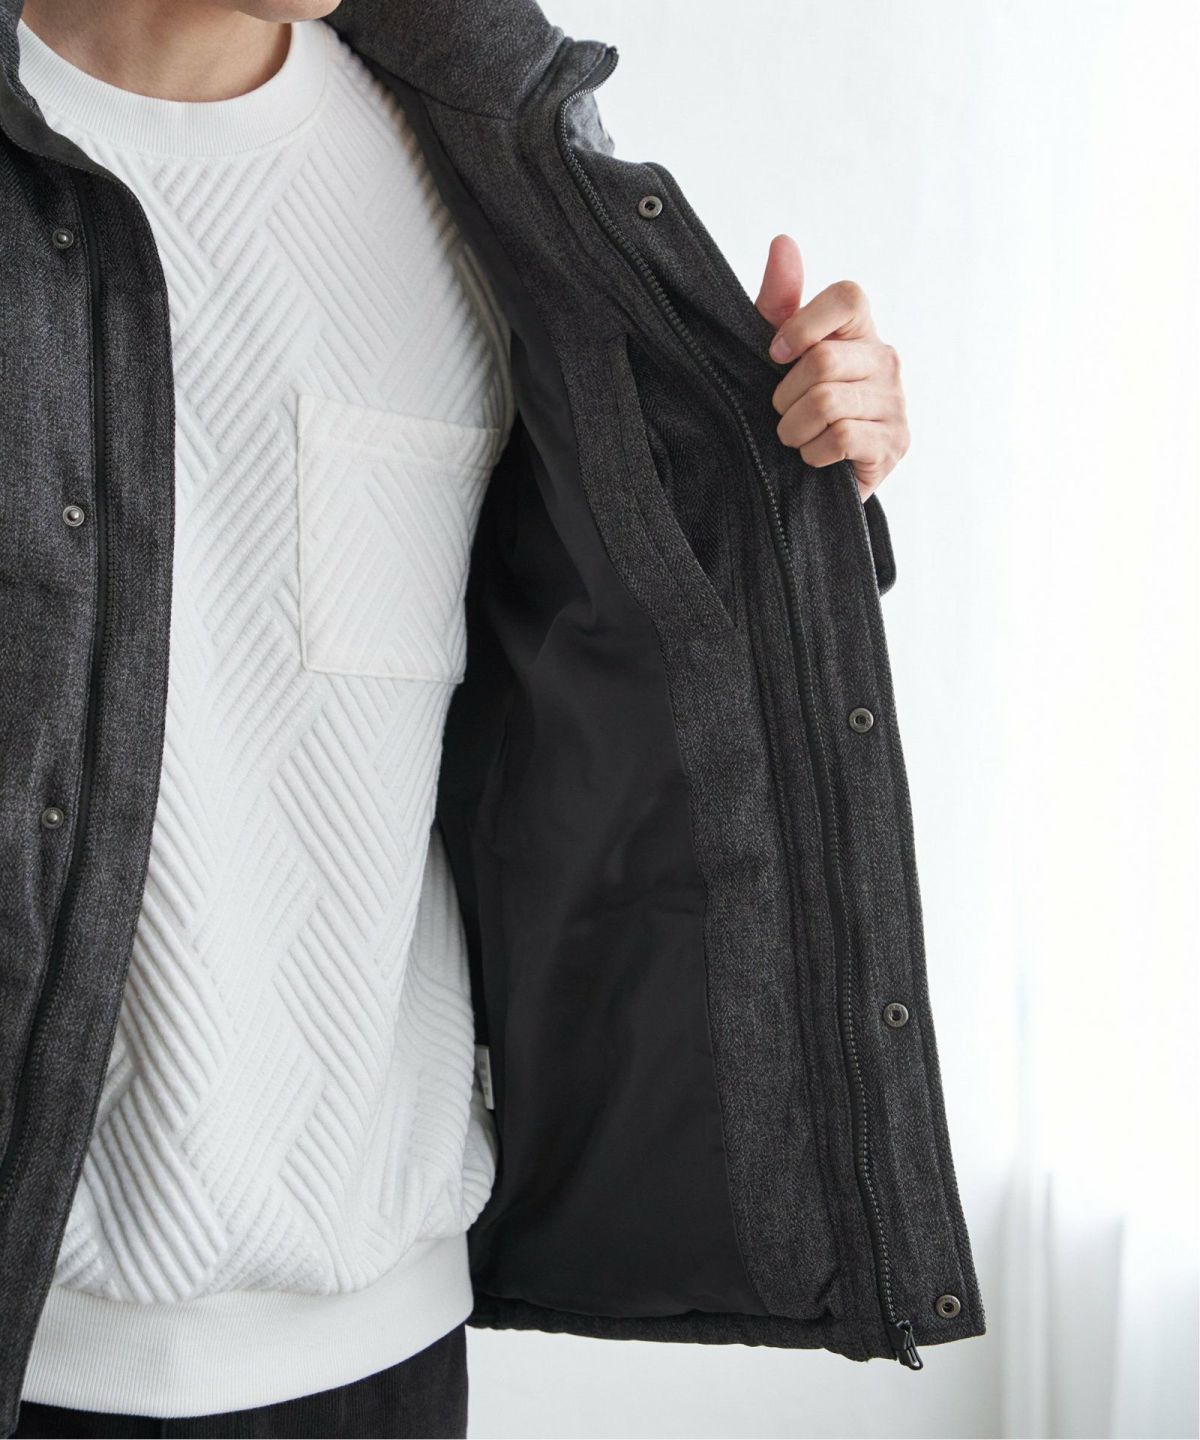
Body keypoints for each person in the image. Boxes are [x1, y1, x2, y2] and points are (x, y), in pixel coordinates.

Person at [0, 1, 979, 1438]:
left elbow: (637, 631)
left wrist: (805, 471)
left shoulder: (482, 163)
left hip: (380, 1342)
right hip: (38, 1341)